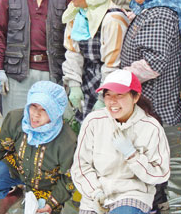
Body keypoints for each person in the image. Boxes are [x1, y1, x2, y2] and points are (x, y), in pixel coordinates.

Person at [71, 69, 170, 214]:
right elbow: (80, 166)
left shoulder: (150, 127)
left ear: (135, 97)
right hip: (97, 194)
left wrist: (133, 156)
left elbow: (161, 172)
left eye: (119, 95)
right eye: (108, 95)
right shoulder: (94, 121)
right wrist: (95, 192)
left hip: (132, 194)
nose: (112, 101)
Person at [0, 81, 77, 214]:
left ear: (55, 112)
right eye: (33, 106)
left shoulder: (67, 140)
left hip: (46, 186)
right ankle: (15, 193)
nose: (36, 114)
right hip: (19, 168)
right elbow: (0, 145)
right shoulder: (16, 119)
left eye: (44, 109)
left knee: (42, 210)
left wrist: (53, 202)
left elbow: (69, 177)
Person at [120, 0, 181, 126]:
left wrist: (119, 79)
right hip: (145, 104)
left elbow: (153, 63)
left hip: (153, 108)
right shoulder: (148, 10)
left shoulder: (160, 15)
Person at [61, 0, 129, 122]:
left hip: (110, 86)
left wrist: (103, 97)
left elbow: (113, 64)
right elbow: (73, 51)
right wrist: (74, 84)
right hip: (85, 81)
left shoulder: (112, 18)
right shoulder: (76, 12)